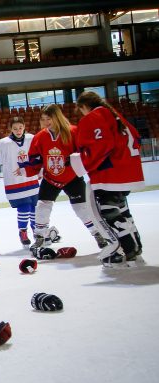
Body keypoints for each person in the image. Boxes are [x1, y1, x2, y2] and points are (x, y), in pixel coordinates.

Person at [19, 104, 117, 260]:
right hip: (50, 178)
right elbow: (35, 158)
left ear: (57, 117)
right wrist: (28, 168)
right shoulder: (40, 136)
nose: (46, 122)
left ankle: (98, 234)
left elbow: (86, 152)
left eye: (49, 119)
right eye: (43, 119)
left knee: (82, 209)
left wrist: (81, 163)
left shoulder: (73, 131)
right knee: (42, 207)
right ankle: (40, 237)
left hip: (72, 178)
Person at [72, 91, 145, 264]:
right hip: (127, 170)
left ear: (84, 106)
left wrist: (84, 161)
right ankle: (136, 246)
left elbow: (101, 145)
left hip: (109, 173)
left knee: (108, 212)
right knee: (122, 210)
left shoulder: (94, 117)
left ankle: (127, 249)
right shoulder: (114, 114)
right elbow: (137, 138)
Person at [0, 116, 40, 246]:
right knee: (24, 207)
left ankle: (37, 231)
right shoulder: (3, 144)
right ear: (10, 129)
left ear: (24, 127)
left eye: (20, 127)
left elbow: (39, 156)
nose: (18, 130)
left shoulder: (32, 139)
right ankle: (23, 231)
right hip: (14, 183)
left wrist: (40, 170)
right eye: (15, 128)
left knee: (34, 208)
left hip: (31, 180)